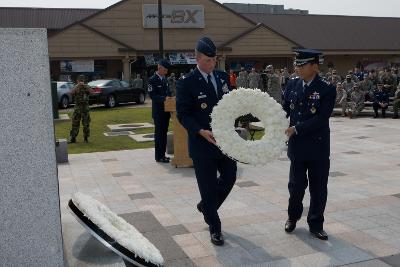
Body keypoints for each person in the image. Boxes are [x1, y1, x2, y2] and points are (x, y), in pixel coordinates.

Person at [176, 37, 236, 246]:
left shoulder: (221, 77)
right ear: (198, 58)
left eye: (215, 60)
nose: (213, 64)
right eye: (209, 60)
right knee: (208, 187)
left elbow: (230, 105)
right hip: (202, 143)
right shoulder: (186, 83)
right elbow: (183, 114)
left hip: (225, 142)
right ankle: (215, 227)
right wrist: (200, 131)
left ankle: (206, 206)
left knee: (229, 177)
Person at [282, 49, 336, 241]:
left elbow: (322, 118)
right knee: (295, 186)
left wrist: (296, 128)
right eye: (296, 64)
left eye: (301, 65)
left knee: (318, 188)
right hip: (297, 148)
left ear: (314, 66)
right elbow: (283, 110)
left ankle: (316, 224)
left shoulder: (327, 88)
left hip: (318, 147)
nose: (297, 68)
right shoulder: (292, 84)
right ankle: (292, 217)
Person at [148, 59, 172, 163]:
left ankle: (163, 155)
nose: (166, 72)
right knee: (159, 134)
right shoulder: (152, 80)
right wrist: (164, 98)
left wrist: (170, 98)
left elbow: (168, 92)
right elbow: (152, 96)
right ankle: (159, 156)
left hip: (166, 111)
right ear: (160, 68)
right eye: (165, 70)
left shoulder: (165, 79)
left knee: (164, 133)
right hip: (158, 112)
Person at [69, 75, 92, 143]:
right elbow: (71, 93)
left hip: (85, 108)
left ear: (83, 81)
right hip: (78, 108)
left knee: (86, 124)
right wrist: (77, 86)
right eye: (80, 80)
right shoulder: (76, 87)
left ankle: (86, 138)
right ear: (77, 81)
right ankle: (73, 138)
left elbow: (91, 92)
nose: (81, 81)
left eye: (82, 80)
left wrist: (85, 86)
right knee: (75, 123)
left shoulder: (86, 87)